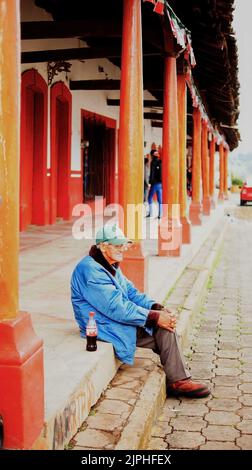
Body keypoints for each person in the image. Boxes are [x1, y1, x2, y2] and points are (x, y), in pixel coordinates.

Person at [71, 224, 210, 398]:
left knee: (164, 326)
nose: (123, 249)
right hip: (102, 323)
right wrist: (154, 317)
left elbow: (131, 293)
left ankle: (178, 378)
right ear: (103, 247)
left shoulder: (110, 264)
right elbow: (117, 307)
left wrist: (157, 308)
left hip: (114, 317)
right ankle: (178, 380)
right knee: (161, 326)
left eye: (124, 244)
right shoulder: (91, 270)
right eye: (118, 245)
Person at [147, 149, 162, 218]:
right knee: (160, 200)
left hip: (155, 183)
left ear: (152, 155)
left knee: (149, 198)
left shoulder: (153, 162)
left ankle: (151, 213)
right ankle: (160, 214)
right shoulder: (160, 161)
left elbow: (152, 173)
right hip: (160, 184)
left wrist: (150, 182)